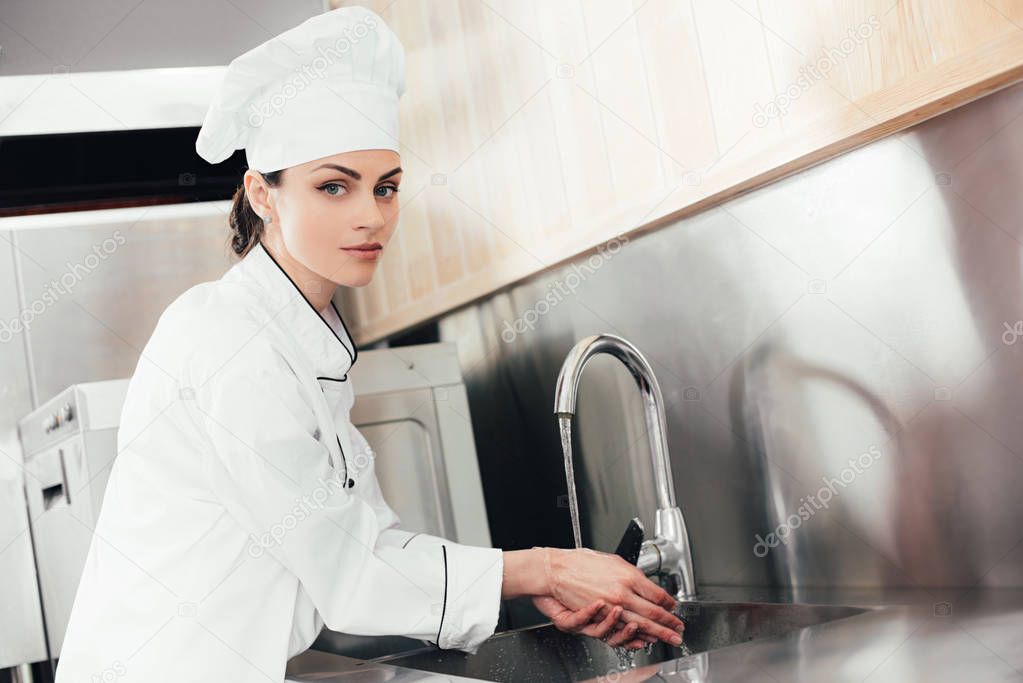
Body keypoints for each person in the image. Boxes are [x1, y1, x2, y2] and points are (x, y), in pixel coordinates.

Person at [54, 6, 684, 681]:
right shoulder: (230, 343)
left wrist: (539, 581)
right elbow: (351, 575)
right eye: (334, 186)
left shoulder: (305, 341)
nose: (370, 216)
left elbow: (368, 544)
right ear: (262, 194)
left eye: (386, 188)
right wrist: (547, 567)